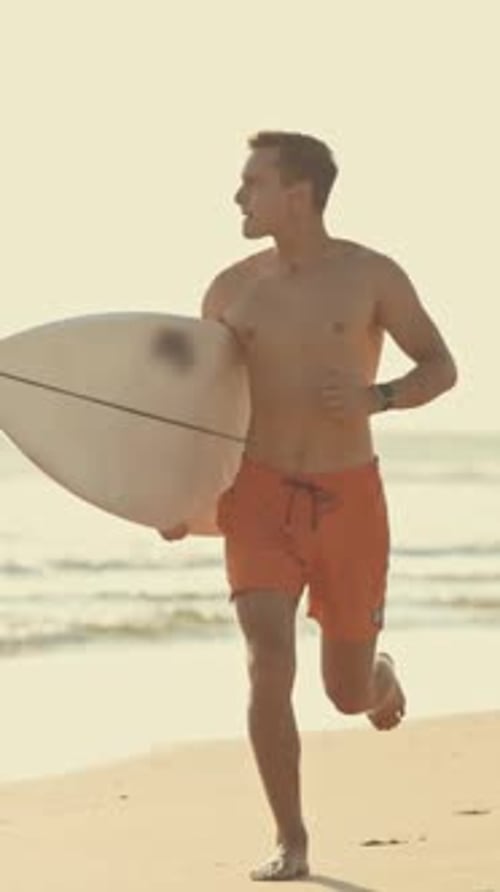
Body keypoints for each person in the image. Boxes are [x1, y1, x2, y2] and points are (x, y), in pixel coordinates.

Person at [160, 131, 457, 881]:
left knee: (344, 691)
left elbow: (441, 365)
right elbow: (205, 410)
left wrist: (377, 397)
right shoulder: (230, 291)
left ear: (298, 193)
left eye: (251, 183)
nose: (238, 197)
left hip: (349, 499)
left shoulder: (370, 275)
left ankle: (378, 677)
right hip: (257, 497)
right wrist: (179, 497)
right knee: (267, 662)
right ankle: (291, 839)